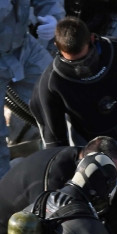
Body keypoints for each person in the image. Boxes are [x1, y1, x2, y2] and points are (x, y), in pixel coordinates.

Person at [31, 17, 117, 147]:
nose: (80, 68)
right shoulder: (51, 82)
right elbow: (54, 139)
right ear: (57, 47)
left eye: (85, 59)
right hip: (95, 150)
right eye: (72, 62)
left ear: (92, 39)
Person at [0, 0, 62, 176]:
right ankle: (4, 187)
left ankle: (77, 162)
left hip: (23, 48)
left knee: (64, 95)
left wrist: (54, 19)